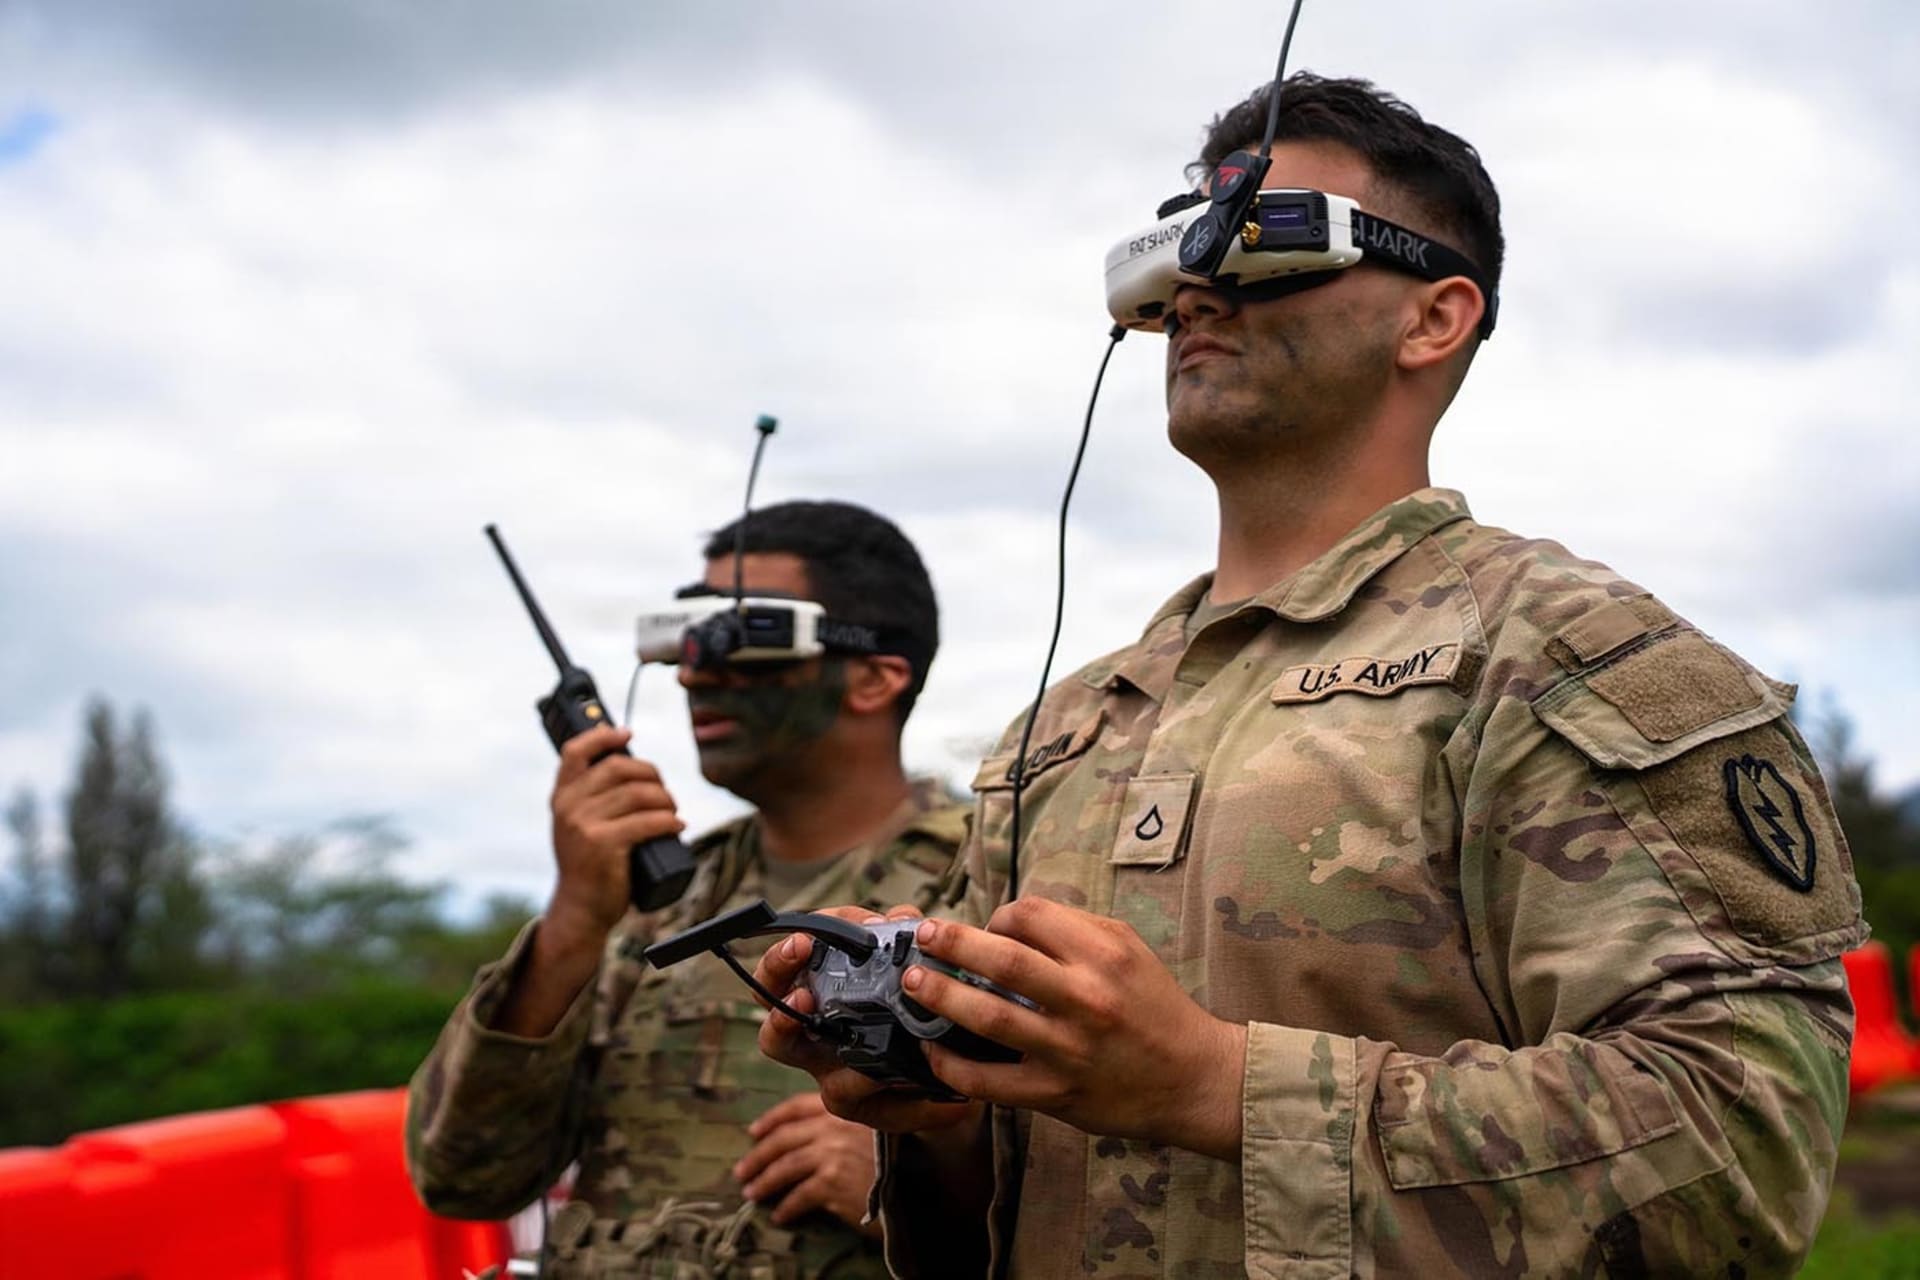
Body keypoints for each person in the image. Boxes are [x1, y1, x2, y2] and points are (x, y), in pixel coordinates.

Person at [754, 75, 1866, 1277]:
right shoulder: (1065, 728)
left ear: (1432, 319)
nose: (1198, 285)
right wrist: (942, 1100)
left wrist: (1215, 1083)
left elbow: (1738, 1143)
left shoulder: (1569, 661)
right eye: (1184, 245)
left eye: (1269, 238)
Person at [407, 500, 968, 1279]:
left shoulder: (988, 881)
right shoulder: (657, 900)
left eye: (743, 639)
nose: (695, 670)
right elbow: (465, 1177)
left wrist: (914, 1177)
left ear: (874, 677)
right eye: (688, 638)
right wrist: (574, 922)